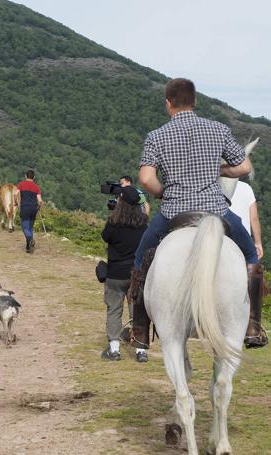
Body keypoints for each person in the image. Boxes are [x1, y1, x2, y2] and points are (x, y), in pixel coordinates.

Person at [129, 78, 266, 359]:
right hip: (216, 210)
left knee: (140, 260)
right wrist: (220, 170)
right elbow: (244, 166)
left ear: (168, 103)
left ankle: (140, 331)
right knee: (251, 257)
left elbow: (145, 178)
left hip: (173, 213)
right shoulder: (218, 129)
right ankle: (252, 327)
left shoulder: (157, 135)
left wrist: (161, 192)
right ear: (195, 101)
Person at [100, 186, 147, 361]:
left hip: (115, 274)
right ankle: (141, 351)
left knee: (114, 310)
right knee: (137, 312)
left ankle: (114, 349)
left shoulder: (114, 221)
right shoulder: (143, 222)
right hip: (135, 273)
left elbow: (105, 237)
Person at [229, 179, 267, 348]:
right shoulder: (246, 188)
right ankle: (253, 329)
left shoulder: (210, 182)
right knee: (253, 262)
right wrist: (257, 242)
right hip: (240, 239)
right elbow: (254, 218)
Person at [15, 170, 43, 253]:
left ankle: (30, 239)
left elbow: (15, 194)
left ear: (25, 176)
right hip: (33, 209)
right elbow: (40, 201)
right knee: (30, 227)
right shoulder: (36, 187)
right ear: (33, 177)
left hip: (25, 208)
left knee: (24, 227)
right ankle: (28, 247)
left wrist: (16, 202)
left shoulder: (21, 184)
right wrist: (39, 207)